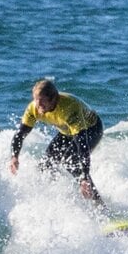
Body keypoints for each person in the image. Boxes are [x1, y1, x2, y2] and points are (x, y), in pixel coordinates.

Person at [9, 78, 104, 207]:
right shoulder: (33, 108)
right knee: (45, 165)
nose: (38, 105)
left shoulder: (69, 107)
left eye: (42, 101)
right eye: (36, 99)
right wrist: (14, 157)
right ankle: (55, 199)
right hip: (67, 130)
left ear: (54, 99)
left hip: (91, 129)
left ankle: (99, 205)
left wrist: (84, 177)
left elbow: (82, 145)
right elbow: (20, 134)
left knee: (72, 161)